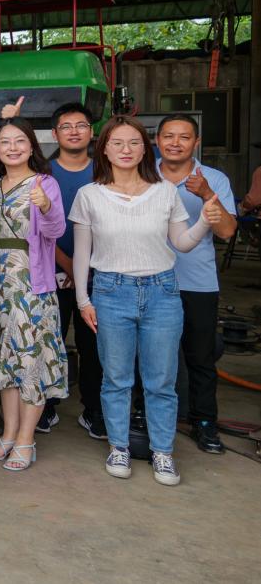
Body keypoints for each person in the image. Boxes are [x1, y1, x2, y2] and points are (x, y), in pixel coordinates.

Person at [70, 115, 219, 486]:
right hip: (110, 291)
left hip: (162, 292)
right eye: (117, 143)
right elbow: (82, 253)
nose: (126, 150)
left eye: (134, 143)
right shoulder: (89, 195)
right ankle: (119, 447)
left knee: (161, 380)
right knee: (116, 378)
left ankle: (162, 452)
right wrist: (83, 300)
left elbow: (182, 243)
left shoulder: (165, 191)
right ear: (104, 149)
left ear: (145, 150)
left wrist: (205, 221)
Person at [0, 119, 69, 471]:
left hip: (30, 285)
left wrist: (45, 206)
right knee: (6, 360)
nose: (13, 147)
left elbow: (56, 230)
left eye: (20, 141)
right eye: (5, 142)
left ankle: (26, 440)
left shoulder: (44, 183)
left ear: (32, 147)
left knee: (29, 360)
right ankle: (8, 436)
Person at [155, 114, 237, 454]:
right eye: (168, 136)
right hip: (151, 279)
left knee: (200, 356)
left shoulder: (214, 179)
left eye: (184, 137)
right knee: (149, 355)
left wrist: (206, 194)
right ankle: (144, 416)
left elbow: (227, 231)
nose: (175, 143)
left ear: (196, 142)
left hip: (197, 281)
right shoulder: (143, 174)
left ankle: (204, 421)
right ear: (157, 140)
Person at [45, 103, 104, 438]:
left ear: (91, 131)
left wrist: (85, 270)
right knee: (49, 340)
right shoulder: (43, 173)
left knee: (93, 345)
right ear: (55, 134)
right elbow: (37, 228)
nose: (74, 131)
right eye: (66, 126)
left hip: (97, 274)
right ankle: (46, 407)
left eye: (80, 125)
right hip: (50, 273)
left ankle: (93, 409)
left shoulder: (104, 171)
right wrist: (70, 265)